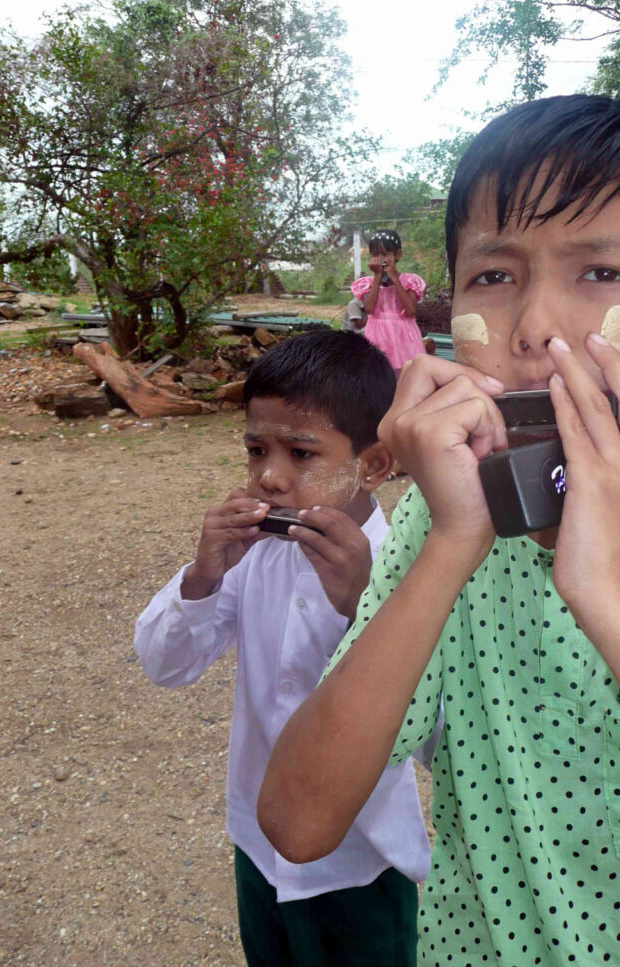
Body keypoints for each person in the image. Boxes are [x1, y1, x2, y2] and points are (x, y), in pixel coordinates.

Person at [258, 95, 620, 966]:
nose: (534, 329)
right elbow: (298, 823)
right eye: (495, 275)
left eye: (600, 272)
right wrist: (451, 543)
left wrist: (612, 602)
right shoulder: (445, 526)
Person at [134, 328, 433, 967]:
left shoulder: (407, 568)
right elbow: (166, 665)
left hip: (362, 857)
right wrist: (203, 575)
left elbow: (437, 733)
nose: (269, 477)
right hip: (258, 839)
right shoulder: (251, 556)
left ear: (373, 464)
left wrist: (363, 605)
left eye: (301, 453)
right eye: (256, 449)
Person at [352, 229, 426, 373]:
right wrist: (378, 276)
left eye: (385, 254)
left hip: (403, 336)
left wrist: (394, 279)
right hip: (377, 336)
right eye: (375, 255)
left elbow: (410, 311)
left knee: (407, 374)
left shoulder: (409, 280)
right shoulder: (367, 283)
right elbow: (369, 309)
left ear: (397, 254)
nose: (380, 259)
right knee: (379, 374)